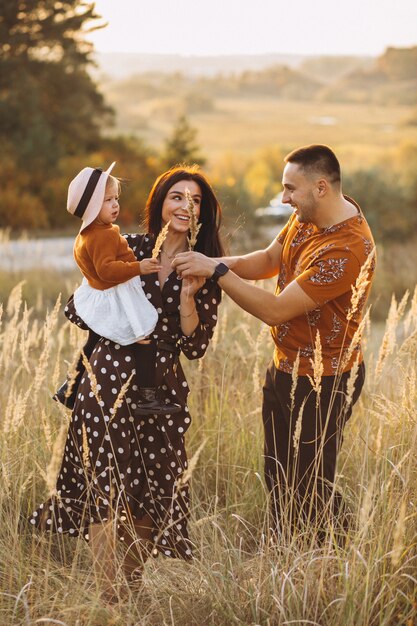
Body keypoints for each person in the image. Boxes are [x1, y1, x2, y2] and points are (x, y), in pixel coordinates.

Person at [29, 165, 224, 601]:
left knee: (152, 489)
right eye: (177, 197)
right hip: (109, 377)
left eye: (194, 201)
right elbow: (80, 306)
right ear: (160, 203)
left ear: (203, 214)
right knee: (105, 485)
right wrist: (117, 309)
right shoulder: (126, 245)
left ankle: (130, 587)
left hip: (162, 386)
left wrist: (189, 298)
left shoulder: (207, 269)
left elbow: (195, 346)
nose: (185, 207)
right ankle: (109, 596)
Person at [173, 145, 376, 539]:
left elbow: (276, 310)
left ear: (320, 187)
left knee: (311, 485)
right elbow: (268, 260)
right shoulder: (310, 216)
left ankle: (336, 556)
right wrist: (209, 262)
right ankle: (286, 552)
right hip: (284, 366)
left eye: (290, 189)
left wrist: (214, 272)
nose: (283, 198)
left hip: (325, 381)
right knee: (278, 473)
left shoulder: (346, 248)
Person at [53, 161, 180, 416]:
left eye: (115, 198)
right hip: (115, 295)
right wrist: (139, 267)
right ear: (91, 206)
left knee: (93, 340)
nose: (115, 204)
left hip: (98, 294)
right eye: (107, 200)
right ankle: (147, 396)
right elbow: (106, 270)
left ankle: (70, 387)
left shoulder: (86, 234)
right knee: (144, 337)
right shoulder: (104, 235)